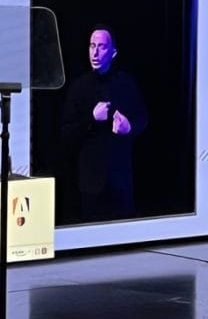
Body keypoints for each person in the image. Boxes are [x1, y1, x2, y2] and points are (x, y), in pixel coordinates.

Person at [60, 25, 148, 222]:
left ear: (113, 52)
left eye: (101, 47)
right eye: (92, 46)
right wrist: (92, 119)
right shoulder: (78, 87)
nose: (95, 53)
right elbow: (66, 133)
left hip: (121, 181)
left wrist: (129, 127)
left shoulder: (126, 83)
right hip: (89, 185)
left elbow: (143, 118)